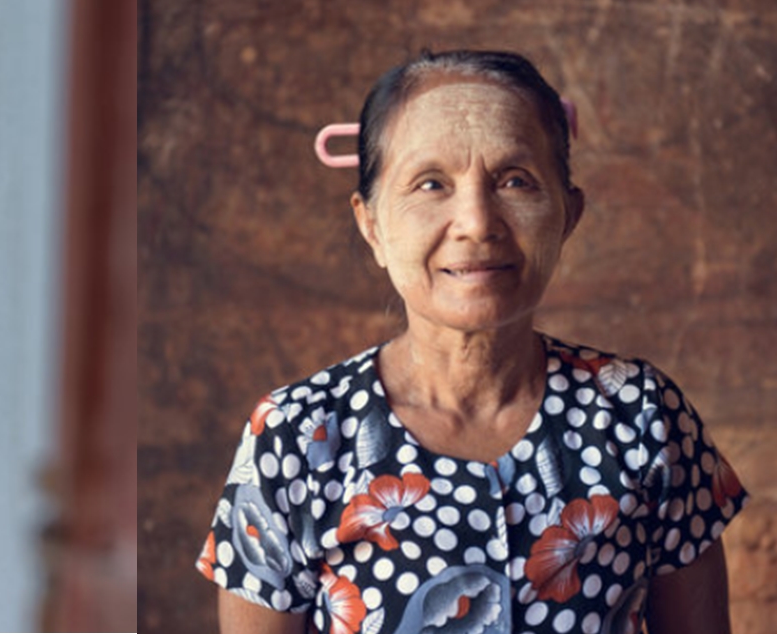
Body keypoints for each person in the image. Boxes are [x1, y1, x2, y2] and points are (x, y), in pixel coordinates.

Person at [197, 50, 748, 634]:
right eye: (431, 183)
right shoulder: (296, 437)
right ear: (372, 225)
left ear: (568, 214)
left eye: (515, 180)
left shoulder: (642, 417)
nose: (477, 222)